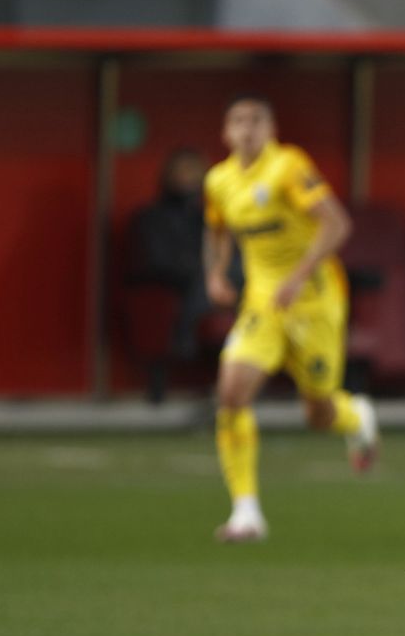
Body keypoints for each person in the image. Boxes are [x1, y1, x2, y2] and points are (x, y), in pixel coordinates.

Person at [203, 95, 379, 543]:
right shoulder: (219, 180)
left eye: (256, 121)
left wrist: (299, 275)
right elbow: (217, 228)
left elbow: (337, 224)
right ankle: (246, 513)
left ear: (272, 128)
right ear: (225, 132)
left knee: (318, 411)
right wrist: (217, 271)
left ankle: (355, 417)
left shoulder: (288, 167)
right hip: (263, 302)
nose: (247, 129)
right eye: (238, 121)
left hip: (314, 299)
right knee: (231, 393)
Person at [127, 147, 215, 371]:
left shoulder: (206, 217)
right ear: (169, 175)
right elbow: (154, 259)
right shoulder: (151, 216)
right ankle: (184, 336)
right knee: (201, 278)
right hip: (166, 279)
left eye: (195, 173)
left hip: (206, 281)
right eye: (184, 171)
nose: (189, 178)